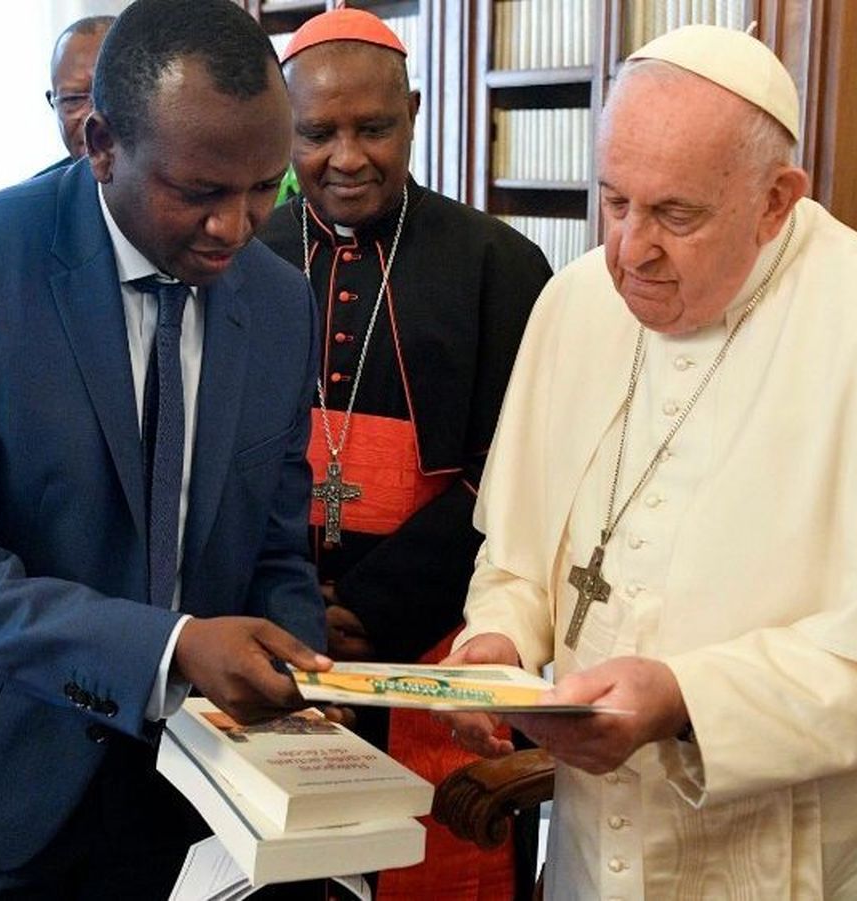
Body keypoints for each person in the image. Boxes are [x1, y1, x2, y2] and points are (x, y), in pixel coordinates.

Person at [442, 25, 857, 899]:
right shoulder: (575, 303)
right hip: (610, 837)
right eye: (616, 201)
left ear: (777, 200)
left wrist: (685, 697)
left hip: (844, 855)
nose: (630, 250)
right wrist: (497, 641)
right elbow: (521, 551)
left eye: (676, 214)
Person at [0, 1, 329, 896]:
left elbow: (274, 544)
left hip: (183, 792)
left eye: (265, 188)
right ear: (100, 142)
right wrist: (168, 648)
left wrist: (307, 698)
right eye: (201, 192)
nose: (236, 227)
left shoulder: (280, 303)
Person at [258, 9, 552, 899]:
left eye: (373, 128)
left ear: (414, 112)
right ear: (284, 128)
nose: (346, 157)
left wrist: (382, 602)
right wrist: (296, 598)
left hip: (440, 631)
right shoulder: (244, 258)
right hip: (278, 632)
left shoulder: (502, 264)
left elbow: (520, 469)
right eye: (317, 132)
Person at [37, 14, 114, 176]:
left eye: (107, 94)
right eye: (73, 100)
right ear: (53, 105)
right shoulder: (34, 200)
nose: (91, 117)